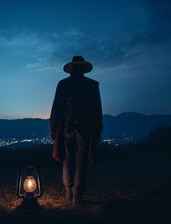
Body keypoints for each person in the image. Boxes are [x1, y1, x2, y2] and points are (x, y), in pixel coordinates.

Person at [50, 56, 103, 207]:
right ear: (83, 69)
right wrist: (98, 127)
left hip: (67, 125)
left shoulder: (63, 84)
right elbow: (97, 109)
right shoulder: (92, 85)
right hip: (85, 127)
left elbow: (56, 108)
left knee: (68, 159)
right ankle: (77, 195)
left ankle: (69, 193)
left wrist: (53, 127)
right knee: (82, 160)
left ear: (71, 69)